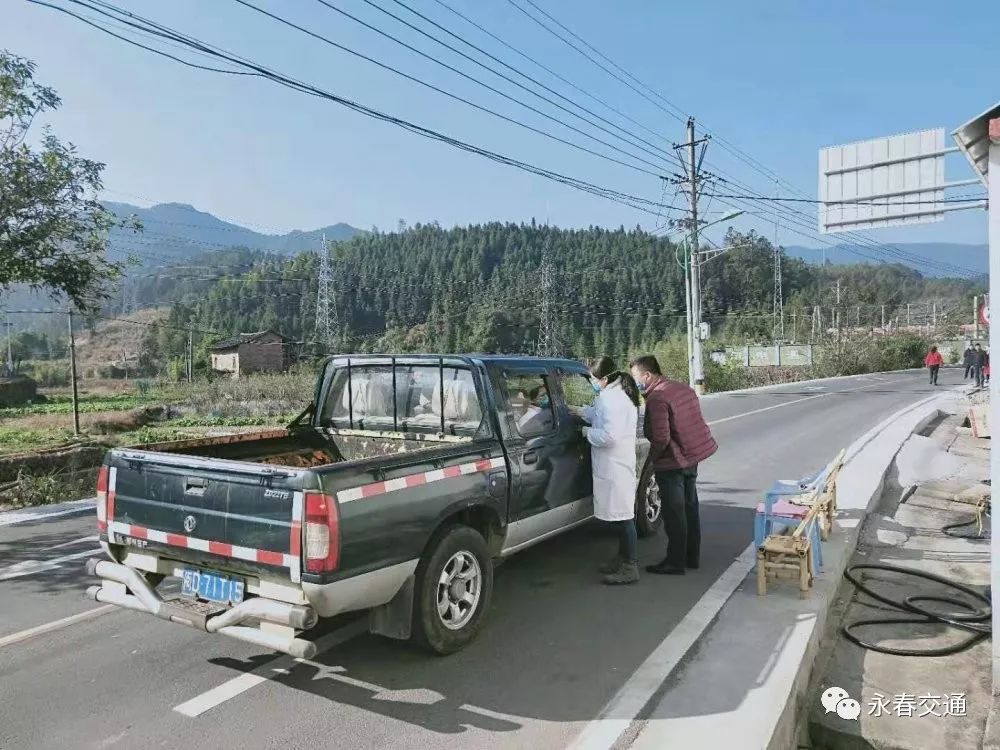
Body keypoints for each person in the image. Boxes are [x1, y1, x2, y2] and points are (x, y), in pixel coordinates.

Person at [630, 355, 717, 575]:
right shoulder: (682, 388)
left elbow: (660, 438)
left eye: (636, 377)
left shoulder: (657, 398)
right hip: (691, 457)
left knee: (674, 514)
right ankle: (691, 557)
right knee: (690, 508)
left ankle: (675, 562)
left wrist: (651, 461)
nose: (635, 382)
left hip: (672, 463)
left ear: (647, 375)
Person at [580, 356, 642, 585]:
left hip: (615, 465)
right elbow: (599, 414)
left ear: (604, 378)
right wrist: (578, 411)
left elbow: (609, 436)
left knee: (624, 518)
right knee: (621, 516)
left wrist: (586, 433)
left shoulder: (611, 399)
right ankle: (623, 558)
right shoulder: (614, 395)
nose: (593, 382)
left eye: (593, 379)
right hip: (617, 465)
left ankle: (630, 566)